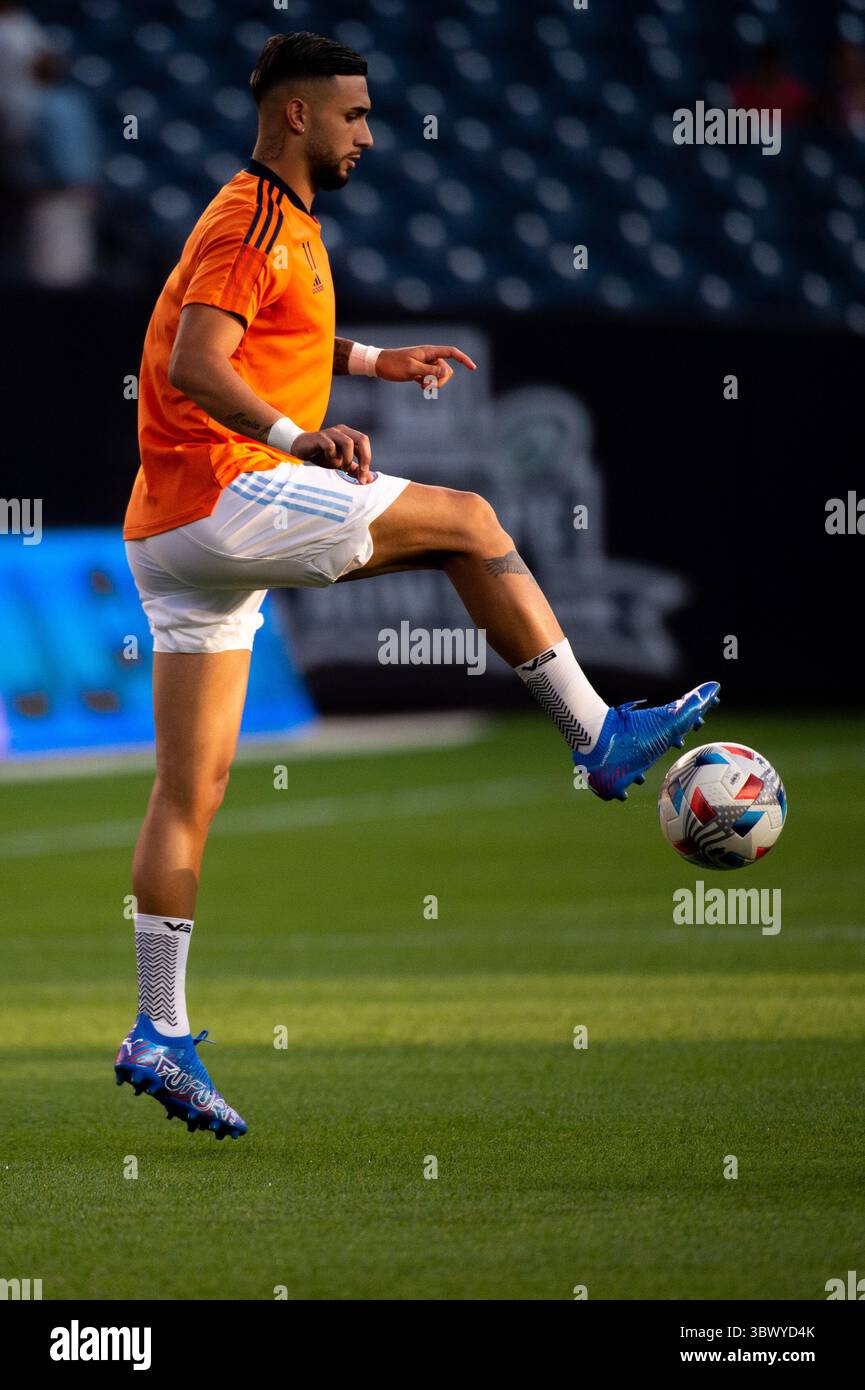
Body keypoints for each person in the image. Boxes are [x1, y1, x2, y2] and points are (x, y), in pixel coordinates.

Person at [115, 31, 719, 1140]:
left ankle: (159, 1028)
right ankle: (597, 736)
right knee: (470, 523)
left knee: (185, 794)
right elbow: (196, 360)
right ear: (296, 115)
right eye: (353, 115)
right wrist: (300, 436)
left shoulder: (273, 225)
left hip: (168, 535)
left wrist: (373, 365)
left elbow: (266, 333)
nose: (369, 134)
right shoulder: (250, 218)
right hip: (225, 489)